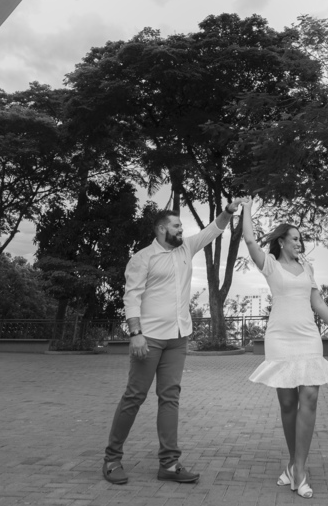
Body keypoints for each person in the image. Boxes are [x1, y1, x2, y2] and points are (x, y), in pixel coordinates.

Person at [102, 199, 246, 486]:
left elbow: (212, 231)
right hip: (150, 338)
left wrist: (229, 212)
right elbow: (131, 297)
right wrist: (136, 333)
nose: (182, 230)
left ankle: (169, 463)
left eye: (181, 226)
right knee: (135, 397)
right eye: (176, 225)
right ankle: (112, 458)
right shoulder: (143, 258)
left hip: (178, 338)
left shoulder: (185, 249)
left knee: (170, 398)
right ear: (160, 229)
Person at [240, 197, 328, 499]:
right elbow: (249, 238)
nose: (300, 243)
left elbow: (317, 302)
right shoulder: (270, 265)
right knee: (288, 405)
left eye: (301, 239)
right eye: (295, 239)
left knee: (311, 397)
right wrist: (247, 208)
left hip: (307, 337)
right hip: (279, 338)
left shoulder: (307, 267)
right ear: (281, 242)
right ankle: (292, 464)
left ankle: (300, 468)